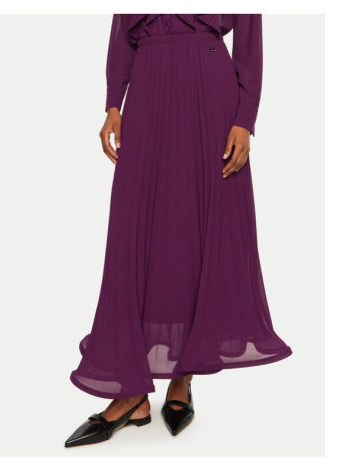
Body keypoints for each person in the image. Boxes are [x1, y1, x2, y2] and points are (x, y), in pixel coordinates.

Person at [65, 14, 293, 447]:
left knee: (195, 231)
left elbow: (249, 34)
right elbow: (122, 28)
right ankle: (131, 394)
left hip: (211, 95)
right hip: (147, 93)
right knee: (134, 233)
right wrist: (113, 104)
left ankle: (183, 376)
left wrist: (245, 118)